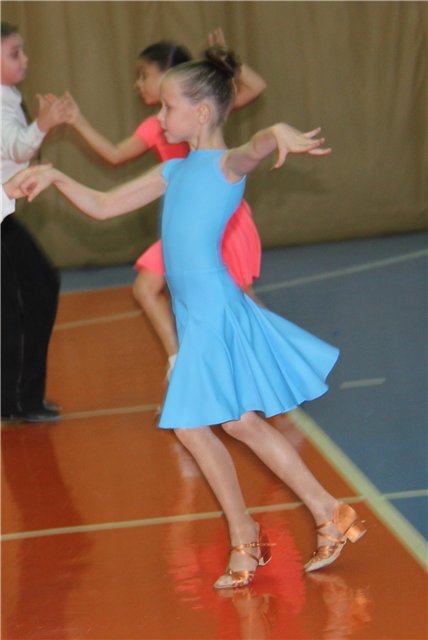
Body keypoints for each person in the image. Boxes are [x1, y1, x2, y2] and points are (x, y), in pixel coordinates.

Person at [21, 45, 367, 588]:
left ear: (202, 112)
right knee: (238, 422)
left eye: (168, 107)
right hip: (195, 312)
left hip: (213, 310)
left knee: (192, 424)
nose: (160, 117)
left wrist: (274, 131)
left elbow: (252, 148)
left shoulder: (224, 167)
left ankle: (248, 535)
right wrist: (56, 177)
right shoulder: (175, 170)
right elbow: (105, 206)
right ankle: (326, 514)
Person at [64, 29, 266, 378]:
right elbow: (115, 156)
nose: (139, 84)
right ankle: (180, 365)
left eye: (144, 74)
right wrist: (76, 121)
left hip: (219, 222)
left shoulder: (202, 110)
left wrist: (228, 61)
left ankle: (271, 359)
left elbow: (255, 88)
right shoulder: (156, 126)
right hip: (184, 226)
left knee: (240, 295)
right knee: (146, 288)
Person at [1, 21, 69, 423]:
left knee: (37, 287)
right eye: (14, 53)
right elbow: (15, 146)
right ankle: (14, 399)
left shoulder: (8, 94)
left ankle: (21, 397)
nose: (24, 59)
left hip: (4, 212)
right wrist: (42, 123)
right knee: (19, 301)